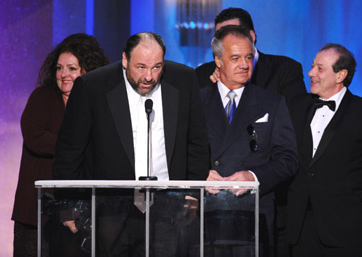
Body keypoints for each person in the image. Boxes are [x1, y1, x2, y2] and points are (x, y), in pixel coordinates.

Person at [52, 32, 210, 256]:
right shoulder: (93, 86)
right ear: (125, 60)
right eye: (141, 67)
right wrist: (66, 204)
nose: (149, 76)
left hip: (169, 206)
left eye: (157, 67)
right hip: (111, 208)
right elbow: (70, 149)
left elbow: (197, 141)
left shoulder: (183, 79)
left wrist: (193, 192)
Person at [286, 43, 362, 257]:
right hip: (299, 229)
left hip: (345, 231)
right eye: (312, 66)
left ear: (340, 75)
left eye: (320, 68)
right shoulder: (295, 106)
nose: (311, 73)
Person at [200, 25, 298, 257]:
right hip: (205, 213)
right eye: (235, 58)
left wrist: (253, 177)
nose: (244, 64)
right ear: (218, 61)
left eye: (248, 57)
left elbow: (288, 159)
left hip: (253, 216)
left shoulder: (272, 102)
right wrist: (198, 175)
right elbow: (178, 152)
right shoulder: (196, 100)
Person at [11, 33, 108, 257]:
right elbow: (35, 138)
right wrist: (80, 143)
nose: (63, 74)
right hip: (36, 213)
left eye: (72, 68)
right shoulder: (42, 97)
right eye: (59, 67)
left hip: (81, 210)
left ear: (88, 70)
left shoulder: (96, 103)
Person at [195, 7, 306, 102]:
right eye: (219, 37)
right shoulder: (202, 75)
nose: (225, 41)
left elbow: (294, 120)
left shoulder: (285, 69)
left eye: (233, 34)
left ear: (251, 37)